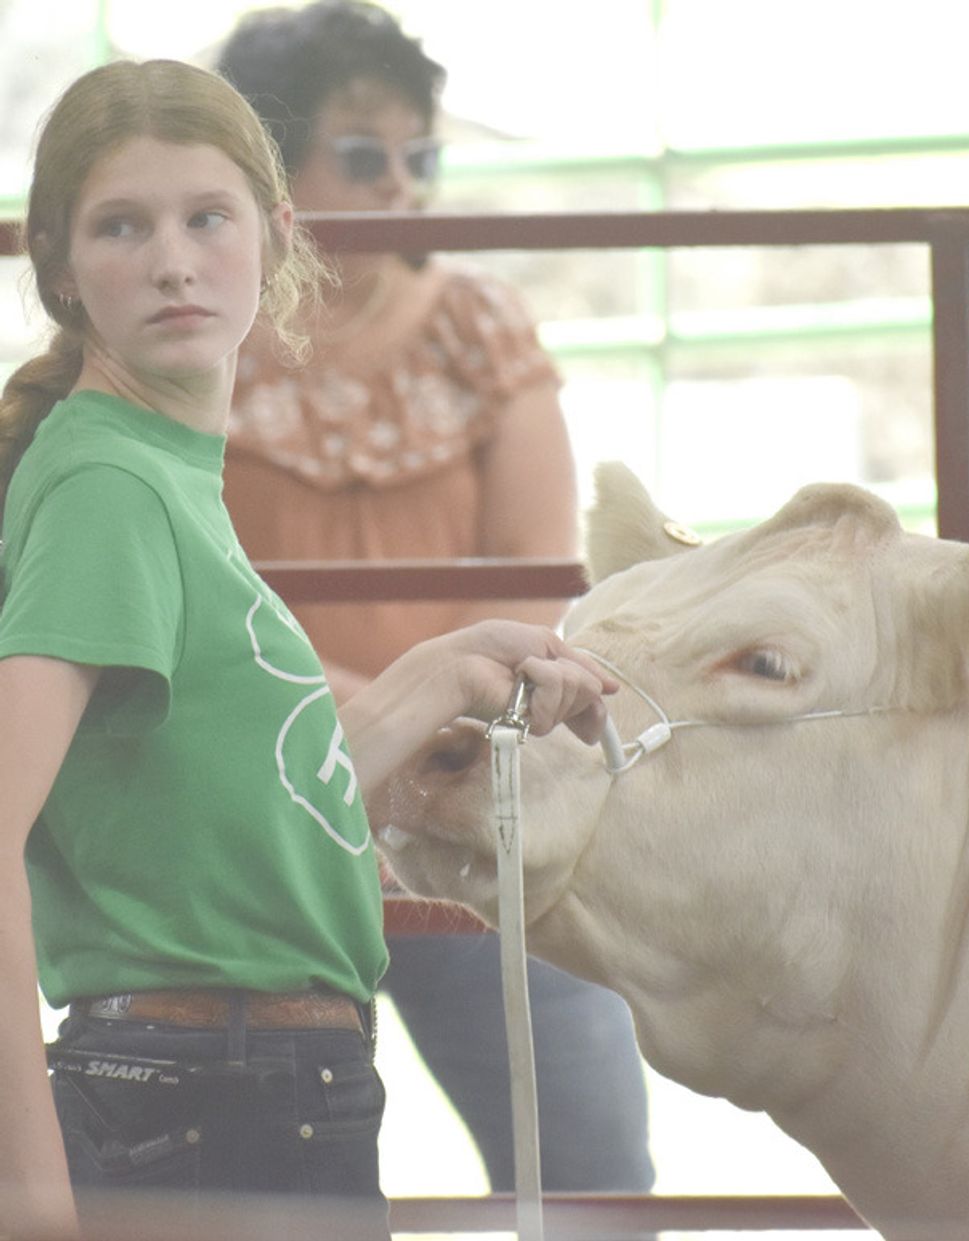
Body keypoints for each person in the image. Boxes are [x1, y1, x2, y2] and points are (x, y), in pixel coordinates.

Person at [0, 57, 616, 1236]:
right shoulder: (108, 484)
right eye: (122, 226)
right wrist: (32, 1203)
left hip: (249, 1089)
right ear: (62, 271)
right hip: (197, 1096)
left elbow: (242, 805)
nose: (174, 260)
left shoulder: (160, 472)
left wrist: (439, 673)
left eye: (206, 217)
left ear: (274, 239)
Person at [215, 0, 656, 1199]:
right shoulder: (199, 338)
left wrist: (426, 730)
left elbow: (530, 572)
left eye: (424, 155)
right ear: (272, 163)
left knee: (594, 1176)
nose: (405, 184)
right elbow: (209, 606)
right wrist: (391, 717)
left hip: (478, 805)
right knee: (279, 1191)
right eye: (365, 154)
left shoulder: (477, 323)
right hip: (281, 817)